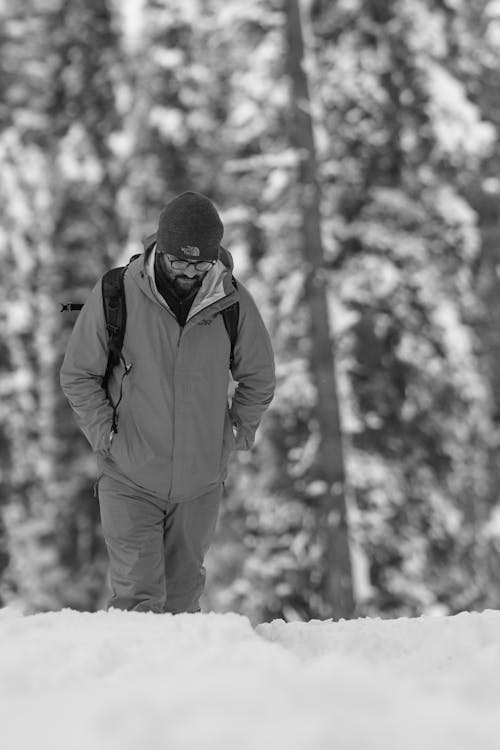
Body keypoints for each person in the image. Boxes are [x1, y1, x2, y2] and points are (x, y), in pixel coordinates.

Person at [60, 191, 275, 614]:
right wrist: (106, 435)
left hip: (199, 483)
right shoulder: (116, 292)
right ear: (160, 247)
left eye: (200, 264)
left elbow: (259, 376)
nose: (189, 272)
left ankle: (179, 683)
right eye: (179, 261)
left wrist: (235, 434)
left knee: (181, 605)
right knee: (138, 601)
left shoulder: (232, 300)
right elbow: (78, 374)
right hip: (129, 475)